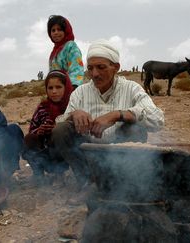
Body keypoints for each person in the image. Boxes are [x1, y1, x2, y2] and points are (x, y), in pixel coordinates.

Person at [52, 39, 165, 204]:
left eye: (101, 67)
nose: (95, 74)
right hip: (90, 154)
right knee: (61, 130)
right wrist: (74, 114)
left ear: (116, 68)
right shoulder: (80, 93)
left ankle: (121, 182)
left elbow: (157, 119)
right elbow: (59, 122)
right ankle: (88, 182)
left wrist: (118, 114)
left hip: (121, 155)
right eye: (90, 68)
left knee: (135, 129)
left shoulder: (131, 88)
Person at [22, 70, 73, 185]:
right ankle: (38, 174)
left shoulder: (72, 106)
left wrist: (56, 129)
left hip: (64, 152)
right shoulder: (42, 107)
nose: (54, 91)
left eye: (58, 87)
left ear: (66, 88)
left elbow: (77, 132)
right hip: (45, 150)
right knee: (28, 139)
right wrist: (39, 131)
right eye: (50, 88)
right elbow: (32, 130)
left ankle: (60, 174)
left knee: (58, 134)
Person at [47, 15, 84, 88]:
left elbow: (76, 68)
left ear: (66, 30)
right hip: (57, 90)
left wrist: (72, 87)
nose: (56, 32)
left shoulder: (70, 46)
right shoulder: (54, 52)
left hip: (70, 88)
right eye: (53, 30)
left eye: (59, 29)